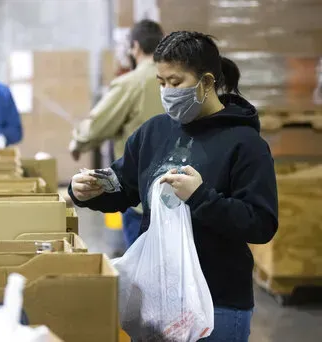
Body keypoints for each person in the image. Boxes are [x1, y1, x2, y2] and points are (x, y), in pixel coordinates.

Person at [69, 31, 278, 341]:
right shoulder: (154, 132)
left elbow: (260, 224)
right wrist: (87, 191)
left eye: (176, 82)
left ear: (207, 82)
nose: (167, 91)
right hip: (157, 300)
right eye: (161, 82)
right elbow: (124, 186)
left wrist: (201, 196)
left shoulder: (245, 144)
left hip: (216, 303)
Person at [69, 19, 165, 248]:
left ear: (135, 47)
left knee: (142, 271)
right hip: (179, 197)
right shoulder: (178, 82)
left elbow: (98, 125)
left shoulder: (131, 83)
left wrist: (77, 142)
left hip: (140, 197)